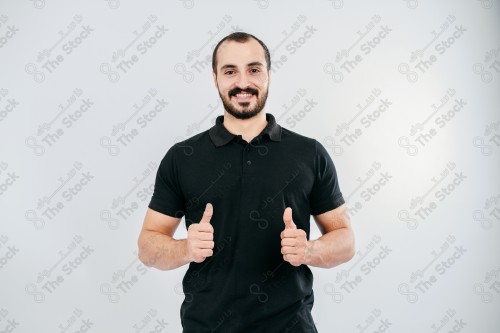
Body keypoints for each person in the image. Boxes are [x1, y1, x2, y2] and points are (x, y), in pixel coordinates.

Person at [137, 31, 355, 333]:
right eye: (230, 71)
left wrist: (310, 251)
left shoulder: (309, 153)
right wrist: (185, 249)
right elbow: (148, 246)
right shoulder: (182, 157)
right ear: (215, 78)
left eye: (254, 69)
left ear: (268, 75)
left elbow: (345, 240)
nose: (243, 82)